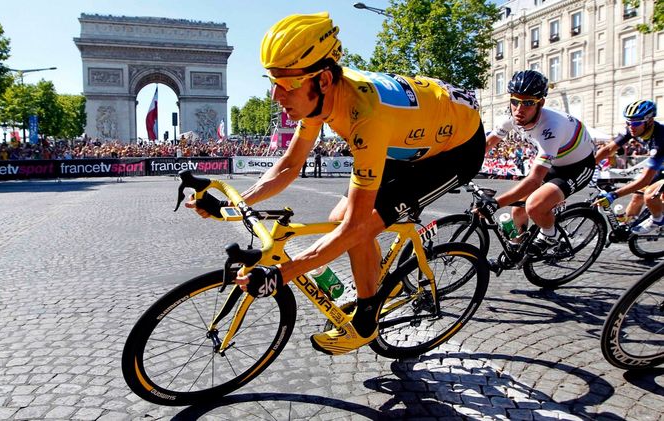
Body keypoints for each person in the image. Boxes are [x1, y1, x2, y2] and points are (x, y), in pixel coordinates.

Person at [186, 12, 485, 355]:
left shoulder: (365, 117)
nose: (275, 95)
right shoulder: (319, 99)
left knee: (358, 226)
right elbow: (289, 166)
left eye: (287, 84)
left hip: (456, 151)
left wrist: (280, 274)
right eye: (273, 81)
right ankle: (372, 282)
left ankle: (367, 319)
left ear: (324, 79)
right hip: (407, 135)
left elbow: (356, 226)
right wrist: (232, 206)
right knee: (340, 218)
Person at [478, 70, 595, 254]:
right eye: (515, 101)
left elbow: (533, 180)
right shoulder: (512, 118)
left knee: (534, 206)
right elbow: (487, 145)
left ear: (541, 103)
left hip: (578, 167)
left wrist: (495, 203)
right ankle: (517, 249)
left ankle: (551, 236)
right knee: (517, 210)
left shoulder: (551, 127)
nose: (519, 109)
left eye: (528, 103)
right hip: (554, 163)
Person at [594, 100, 664, 233]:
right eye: (628, 122)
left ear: (649, 121)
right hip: (661, 166)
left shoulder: (660, 139)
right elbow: (609, 149)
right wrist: (588, 166)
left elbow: (645, 180)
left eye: (636, 123)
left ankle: (657, 219)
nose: (631, 126)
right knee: (637, 195)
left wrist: (613, 195)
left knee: (650, 195)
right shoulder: (633, 130)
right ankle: (627, 229)